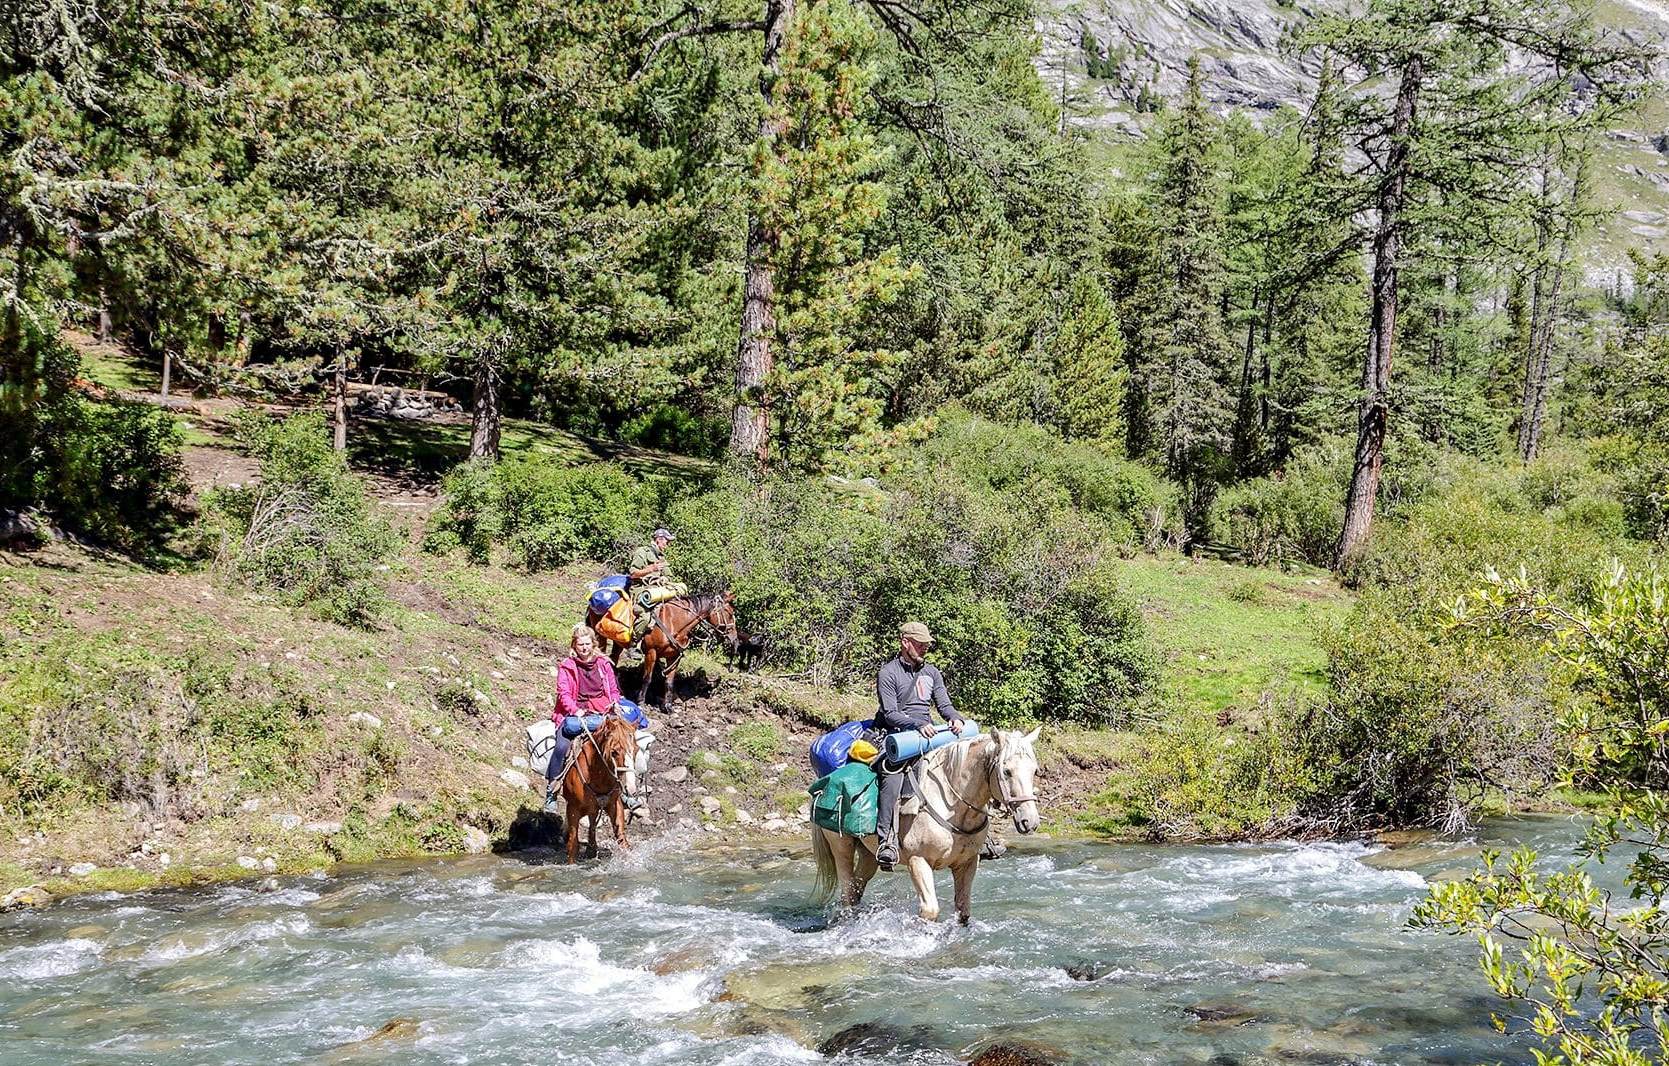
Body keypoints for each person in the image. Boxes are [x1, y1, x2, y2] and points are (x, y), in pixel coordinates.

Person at [873, 621, 966, 870]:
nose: (925, 648)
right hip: (897, 736)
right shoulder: (888, 672)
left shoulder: (932, 672)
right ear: (905, 643)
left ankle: (977, 836)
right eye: (920, 644)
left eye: (926, 644)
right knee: (891, 777)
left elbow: (944, 705)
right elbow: (890, 713)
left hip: (928, 734)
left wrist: (955, 718)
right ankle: (886, 841)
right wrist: (916, 724)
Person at [544, 624, 624, 813]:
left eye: (587, 644)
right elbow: (563, 694)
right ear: (574, 645)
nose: (584, 648)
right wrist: (575, 710)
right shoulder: (567, 666)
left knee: (622, 745)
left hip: (602, 712)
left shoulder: (604, 664)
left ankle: (627, 789)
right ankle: (552, 791)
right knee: (561, 747)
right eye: (580, 644)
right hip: (575, 714)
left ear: (594, 644)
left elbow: (613, 689)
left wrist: (615, 703)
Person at [628, 528, 682, 639]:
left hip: (657, 590)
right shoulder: (642, 552)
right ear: (659, 539)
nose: (668, 545)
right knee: (645, 617)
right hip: (640, 589)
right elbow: (633, 574)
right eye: (667, 541)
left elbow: (669, 575)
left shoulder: (661, 557)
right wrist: (651, 569)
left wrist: (664, 579)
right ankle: (634, 642)